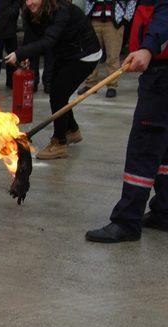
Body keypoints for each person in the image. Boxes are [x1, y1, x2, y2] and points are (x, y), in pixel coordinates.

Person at [86, 0, 168, 243]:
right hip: (161, 71)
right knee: (163, 148)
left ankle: (127, 221)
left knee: (144, 144)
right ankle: (164, 210)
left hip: (161, 75)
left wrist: (148, 48)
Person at [5, 0, 101, 160]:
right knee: (56, 91)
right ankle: (72, 130)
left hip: (85, 54)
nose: (29, 3)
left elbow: (49, 40)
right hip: (64, 53)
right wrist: (24, 55)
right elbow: (30, 36)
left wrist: (20, 53)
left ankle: (59, 142)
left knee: (58, 94)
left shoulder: (61, 9)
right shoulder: (29, 11)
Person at [76, 0, 137, 98]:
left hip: (113, 22)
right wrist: (86, 15)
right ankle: (90, 84)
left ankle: (112, 86)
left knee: (113, 55)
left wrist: (126, 18)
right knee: (91, 54)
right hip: (93, 20)